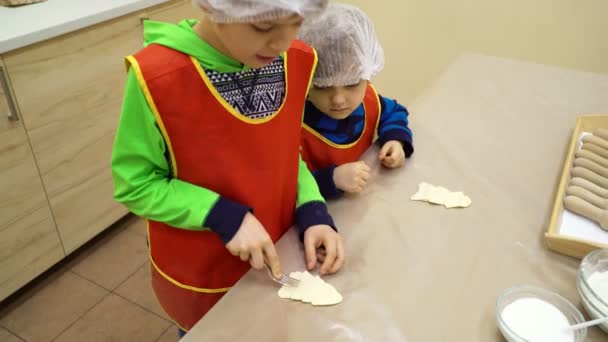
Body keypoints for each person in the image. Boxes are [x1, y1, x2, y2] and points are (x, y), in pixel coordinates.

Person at [111, 0, 344, 334]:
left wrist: (312, 208)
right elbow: (136, 184)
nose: (281, 43)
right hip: (204, 274)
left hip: (278, 256)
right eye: (263, 27)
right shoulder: (157, 76)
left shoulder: (297, 59)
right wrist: (222, 215)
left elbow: (284, 150)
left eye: (296, 22)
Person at [298, 3, 414, 199]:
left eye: (351, 84)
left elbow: (394, 112)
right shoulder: (295, 123)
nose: (338, 99)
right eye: (322, 86)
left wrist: (396, 139)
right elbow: (288, 185)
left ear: (368, 72)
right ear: (305, 79)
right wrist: (331, 179)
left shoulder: (369, 101)